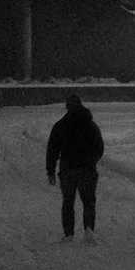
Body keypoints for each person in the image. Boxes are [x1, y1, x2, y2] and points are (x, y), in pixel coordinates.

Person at [44, 93, 105, 242]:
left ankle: (69, 234)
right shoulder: (91, 125)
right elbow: (99, 147)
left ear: (67, 107)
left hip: (68, 169)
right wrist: (91, 160)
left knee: (68, 203)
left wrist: (51, 172)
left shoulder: (60, 126)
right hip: (87, 169)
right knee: (89, 201)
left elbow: (52, 150)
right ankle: (89, 230)